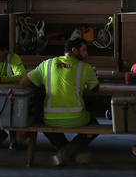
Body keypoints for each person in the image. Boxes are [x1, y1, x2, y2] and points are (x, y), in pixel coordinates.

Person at [19, 37, 99, 166]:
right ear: (74, 50)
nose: (87, 54)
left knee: (40, 120)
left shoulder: (47, 64)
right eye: (84, 50)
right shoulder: (85, 67)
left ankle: (64, 151)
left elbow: (23, 83)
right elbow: (95, 89)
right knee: (95, 124)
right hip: (77, 117)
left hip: (50, 118)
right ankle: (68, 152)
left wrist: (44, 84)